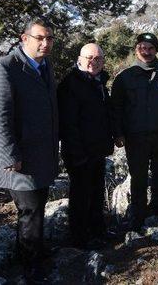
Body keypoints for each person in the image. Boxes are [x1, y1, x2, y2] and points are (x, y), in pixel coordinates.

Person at [0, 17, 58, 282]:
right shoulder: (4, 69)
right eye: (40, 38)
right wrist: (10, 156)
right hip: (19, 159)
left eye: (49, 38)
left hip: (42, 154)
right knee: (28, 211)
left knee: (37, 206)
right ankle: (31, 267)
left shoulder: (45, 65)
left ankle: (32, 252)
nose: (45, 43)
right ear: (23, 38)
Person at [110, 33, 158, 230]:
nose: (147, 52)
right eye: (142, 47)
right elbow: (115, 108)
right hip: (135, 137)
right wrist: (118, 133)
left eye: (150, 48)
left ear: (156, 50)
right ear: (136, 49)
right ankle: (138, 214)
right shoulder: (124, 77)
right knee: (138, 176)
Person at [57, 43, 114, 249]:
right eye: (89, 57)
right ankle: (79, 238)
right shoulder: (71, 84)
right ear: (79, 59)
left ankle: (97, 230)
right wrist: (77, 152)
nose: (93, 62)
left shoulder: (99, 82)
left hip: (97, 150)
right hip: (78, 152)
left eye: (98, 58)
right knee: (81, 195)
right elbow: (68, 123)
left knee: (96, 192)